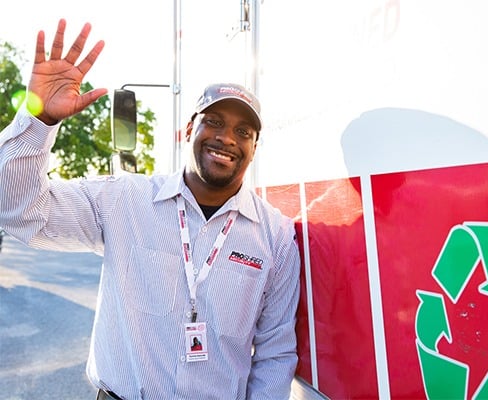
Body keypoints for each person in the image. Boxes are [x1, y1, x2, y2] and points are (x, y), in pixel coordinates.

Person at [0, 19, 300, 400]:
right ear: (190, 130)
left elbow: (275, 353)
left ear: (255, 147)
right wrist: (39, 118)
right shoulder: (125, 199)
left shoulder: (275, 238)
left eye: (244, 132)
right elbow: (18, 210)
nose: (227, 138)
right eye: (214, 121)